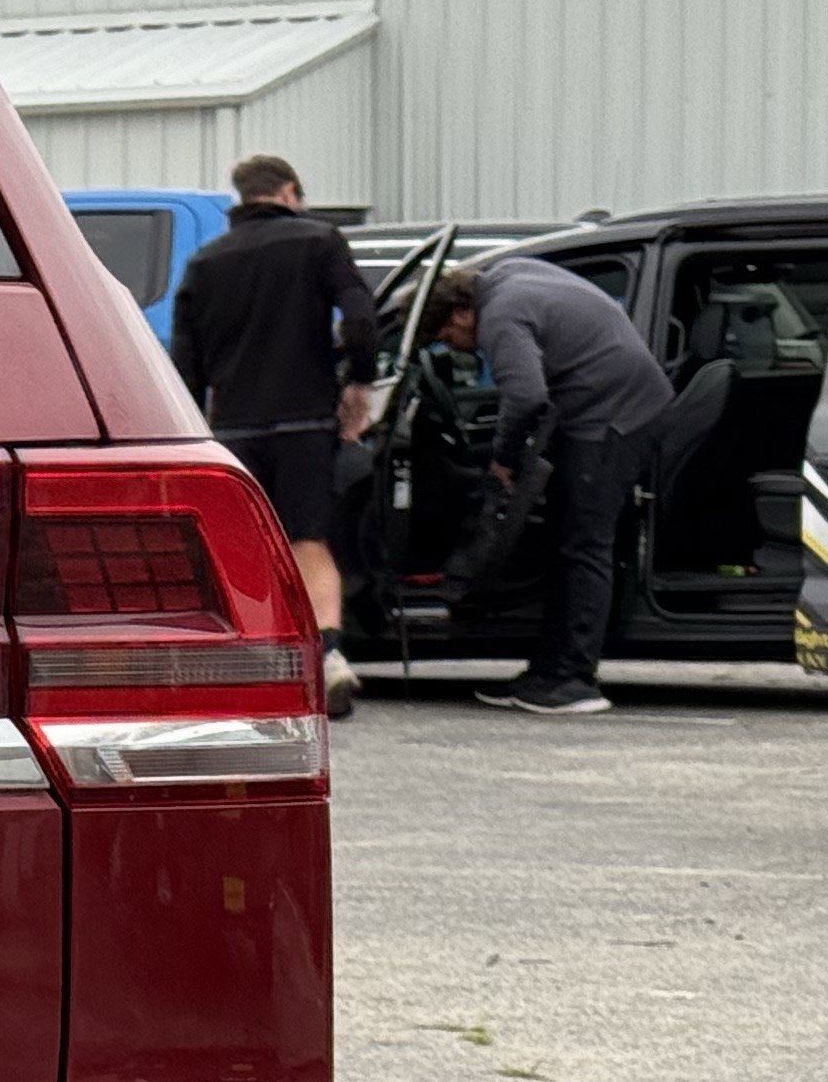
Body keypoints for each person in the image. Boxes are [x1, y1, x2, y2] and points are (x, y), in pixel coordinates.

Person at [168, 154, 376, 715]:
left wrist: (194, 434)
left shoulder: (204, 262)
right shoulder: (319, 240)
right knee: (309, 539)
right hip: (305, 420)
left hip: (233, 427)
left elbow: (185, 363)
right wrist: (358, 383)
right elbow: (360, 319)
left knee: (247, 545)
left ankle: (255, 660)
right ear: (289, 193)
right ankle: (329, 657)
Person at [422, 255, 674, 714]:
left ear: (460, 313)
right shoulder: (509, 274)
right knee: (564, 540)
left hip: (614, 417)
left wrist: (504, 459)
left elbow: (525, 394)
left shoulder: (500, 314)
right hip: (609, 406)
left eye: (445, 336)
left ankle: (574, 680)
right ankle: (548, 671)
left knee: (584, 544)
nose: (453, 347)